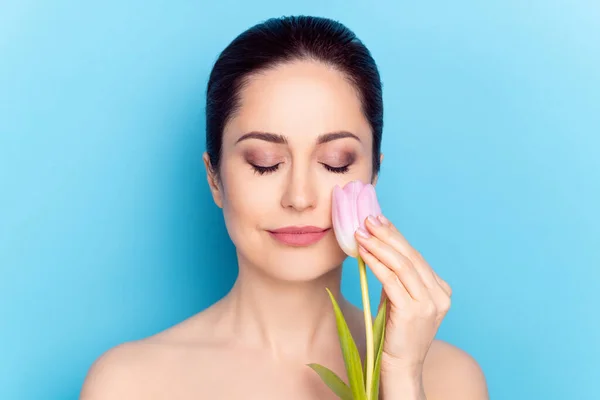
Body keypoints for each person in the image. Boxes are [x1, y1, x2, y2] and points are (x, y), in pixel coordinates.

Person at [80, 15, 489, 399]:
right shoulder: (130, 383)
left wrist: (401, 378)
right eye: (265, 163)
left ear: (372, 177)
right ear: (214, 178)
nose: (299, 197)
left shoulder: (449, 380)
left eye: (335, 163)